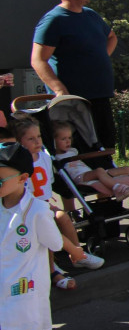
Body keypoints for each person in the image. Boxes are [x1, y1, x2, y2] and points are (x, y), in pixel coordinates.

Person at [0, 142, 83, 330]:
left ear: (23, 178)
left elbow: (55, 242)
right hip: (4, 286)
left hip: (20, 289)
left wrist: (74, 249)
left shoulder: (36, 210)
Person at [11, 116, 104, 291]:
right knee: (47, 225)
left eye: (38, 137)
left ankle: (77, 254)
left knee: (63, 217)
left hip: (43, 203)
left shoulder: (45, 158)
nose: (37, 141)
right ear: (20, 141)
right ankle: (52, 266)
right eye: (31, 139)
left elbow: (48, 182)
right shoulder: (19, 161)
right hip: (28, 206)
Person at [31, 0, 118, 148]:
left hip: (100, 96)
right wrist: (59, 89)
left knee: (106, 148)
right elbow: (38, 59)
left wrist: (100, 58)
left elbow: (112, 37)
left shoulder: (91, 15)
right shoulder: (54, 20)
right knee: (81, 154)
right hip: (75, 104)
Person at [51, 121, 129, 206]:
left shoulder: (73, 151)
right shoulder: (55, 156)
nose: (68, 141)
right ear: (54, 141)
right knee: (99, 171)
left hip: (90, 174)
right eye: (63, 139)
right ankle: (119, 189)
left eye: (69, 138)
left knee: (126, 169)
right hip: (79, 177)